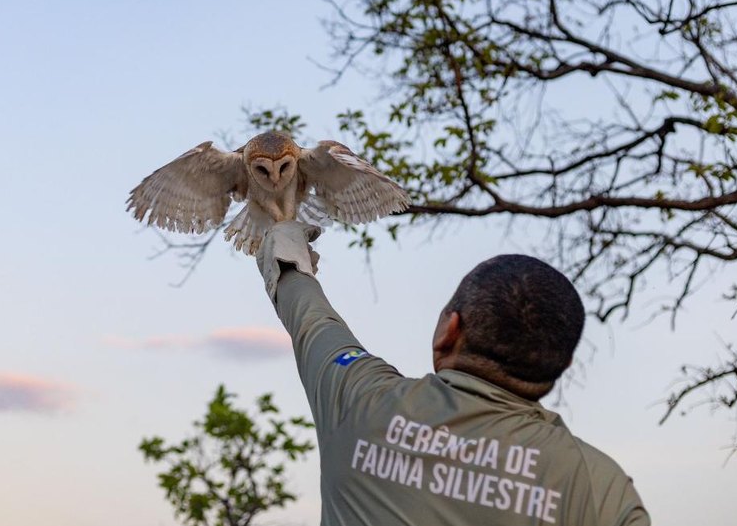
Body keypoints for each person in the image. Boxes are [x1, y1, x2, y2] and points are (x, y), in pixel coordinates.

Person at [255, 221, 650, 526]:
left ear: (450, 330)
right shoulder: (604, 490)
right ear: (561, 365)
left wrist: (286, 245)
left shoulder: (359, 398)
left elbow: (313, 319)